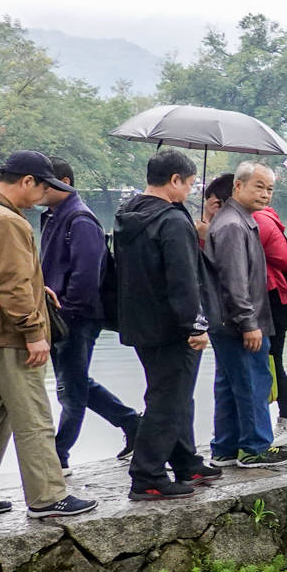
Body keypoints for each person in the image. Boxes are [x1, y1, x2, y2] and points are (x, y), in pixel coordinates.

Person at [0, 151, 95, 521]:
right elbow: (10, 284)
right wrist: (33, 331)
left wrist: (39, 287)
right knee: (33, 416)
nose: (43, 197)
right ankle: (47, 497)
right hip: (8, 335)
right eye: (42, 188)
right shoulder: (6, 221)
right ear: (27, 181)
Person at [114, 149, 219, 500]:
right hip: (173, 325)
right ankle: (147, 475)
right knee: (167, 399)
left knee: (172, 394)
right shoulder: (173, 220)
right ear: (174, 180)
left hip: (140, 321)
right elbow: (183, 280)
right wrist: (196, 325)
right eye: (189, 184)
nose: (189, 191)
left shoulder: (127, 214)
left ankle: (185, 459)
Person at [38, 158, 140, 468]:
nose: (39, 189)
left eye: (45, 183)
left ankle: (58, 458)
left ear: (65, 182)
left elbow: (86, 276)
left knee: (71, 391)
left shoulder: (80, 220)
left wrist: (67, 314)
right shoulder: (53, 217)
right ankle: (131, 422)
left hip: (76, 318)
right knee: (75, 382)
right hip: (57, 316)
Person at [201, 161, 287, 469]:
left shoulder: (239, 220)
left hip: (227, 321)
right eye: (259, 186)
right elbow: (234, 280)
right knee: (254, 380)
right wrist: (248, 322)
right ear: (238, 186)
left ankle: (225, 448)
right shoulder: (232, 225)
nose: (265, 194)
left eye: (269, 189)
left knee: (229, 382)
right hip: (238, 322)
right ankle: (255, 446)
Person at [251, 184, 287, 441]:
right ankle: (282, 419)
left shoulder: (259, 219)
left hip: (273, 300)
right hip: (272, 300)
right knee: (270, 362)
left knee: (272, 361)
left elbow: (282, 258)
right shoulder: (263, 217)